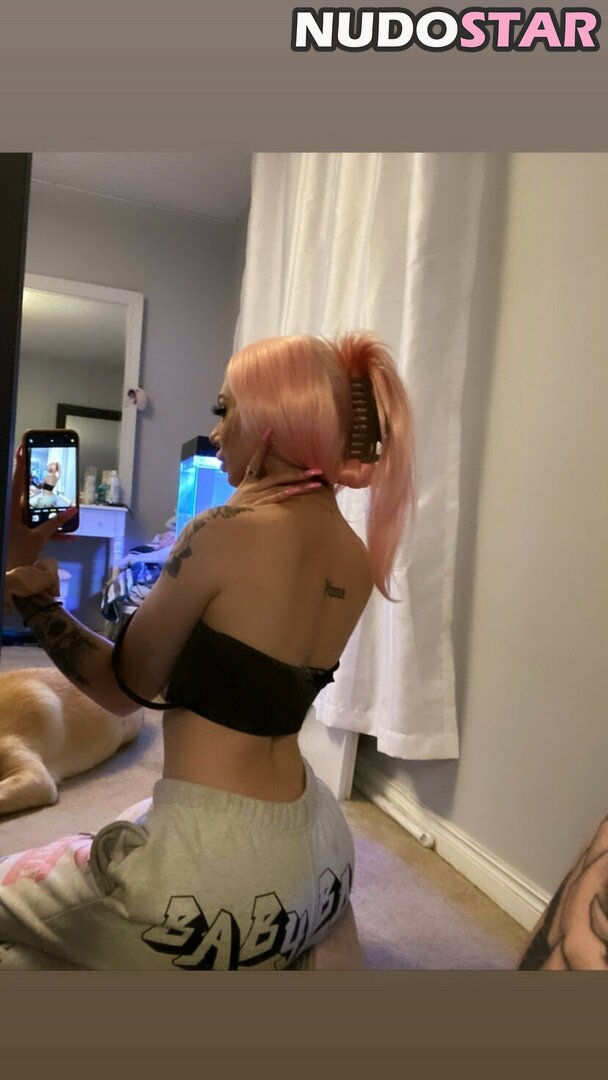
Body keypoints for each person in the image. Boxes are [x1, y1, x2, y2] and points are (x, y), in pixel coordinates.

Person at [0, 331, 415, 970]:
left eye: (226, 409)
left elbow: (119, 689)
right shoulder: (357, 556)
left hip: (209, 886)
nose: (217, 433)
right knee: (128, 828)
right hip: (319, 848)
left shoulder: (221, 532)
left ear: (273, 422)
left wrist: (32, 592)